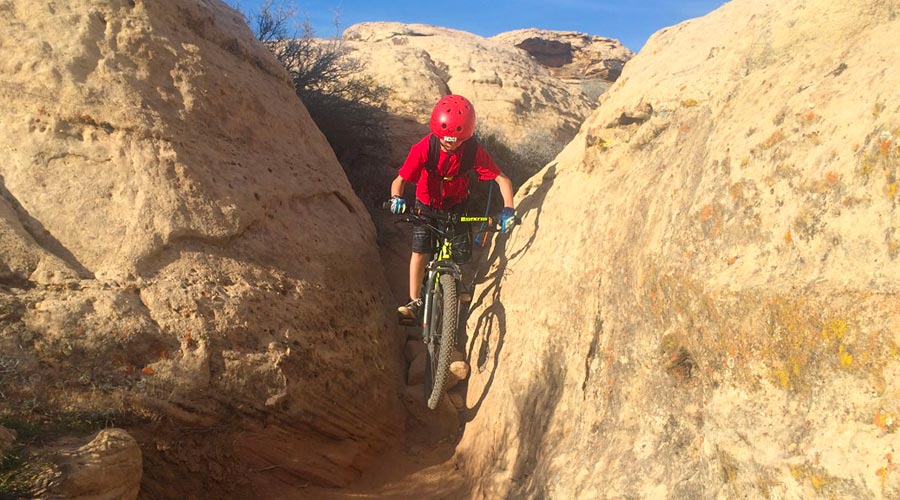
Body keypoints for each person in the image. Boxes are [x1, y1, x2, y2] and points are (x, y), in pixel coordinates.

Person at [388, 94, 516, 321]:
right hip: (426, 205)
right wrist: (397, 199)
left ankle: (457, 282)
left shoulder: (471, 150)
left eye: (457, 140)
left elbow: (502, 180)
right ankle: (414, 300)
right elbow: (399, 181)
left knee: (461, 250)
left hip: (456, 204)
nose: (451, 144)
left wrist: (508, 209)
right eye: (447, 139)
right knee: (420, 251)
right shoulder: (424, 148)